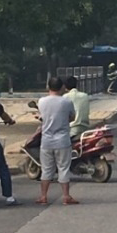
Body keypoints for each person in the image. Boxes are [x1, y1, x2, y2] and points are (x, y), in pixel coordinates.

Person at [36, 77, 77, 205]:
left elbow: (42, 117)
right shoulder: (67, 102)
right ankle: (66, 196)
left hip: (46, 141)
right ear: (62, 87)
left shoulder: (41, 101)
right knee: (63, 168)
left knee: (46, 169)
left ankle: (43, 196)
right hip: (62, 140)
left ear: (48, 87)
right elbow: (72, 117)